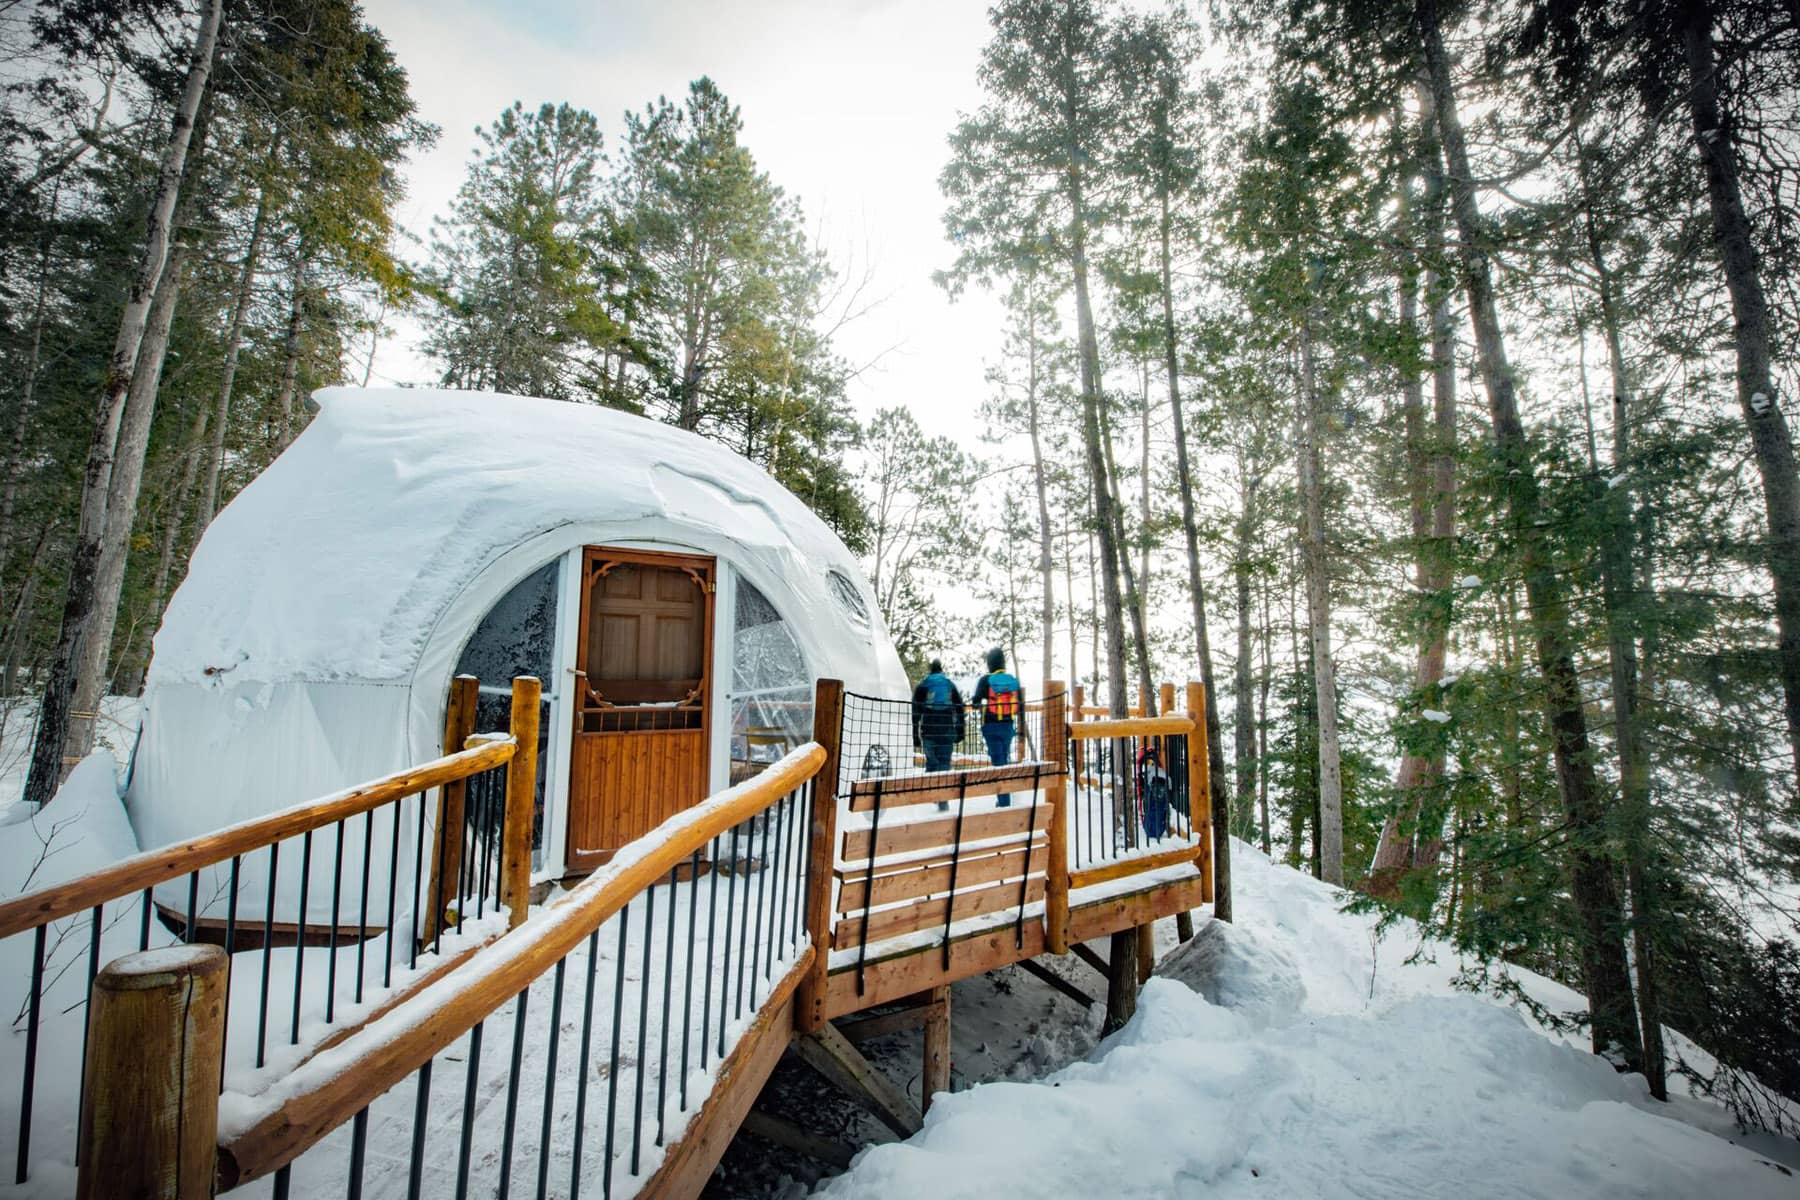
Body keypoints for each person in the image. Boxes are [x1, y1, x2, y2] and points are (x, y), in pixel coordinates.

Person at [971, 647, 1025, 806]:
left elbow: (975, 702)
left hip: (991, 726)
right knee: (1004, 759)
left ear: (989, 663)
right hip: (1008, 726)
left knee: (998, 763)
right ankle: (1004, 796)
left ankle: (1004, 800)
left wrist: (979, 703)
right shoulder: (1012, 680)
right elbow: (1020, 706)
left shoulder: (985, 680)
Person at [911, 658, 965, 774]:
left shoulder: (924, 684)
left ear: (931, 670)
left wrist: (915, 735)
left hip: (928, 732)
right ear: (941, 670)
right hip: (947, 731)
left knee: (931, 766)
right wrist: (960, 731)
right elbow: (959, 708)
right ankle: (944, 790)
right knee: (944, 766)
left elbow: (916, 712)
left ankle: (931, 791)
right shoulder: (949, 684)